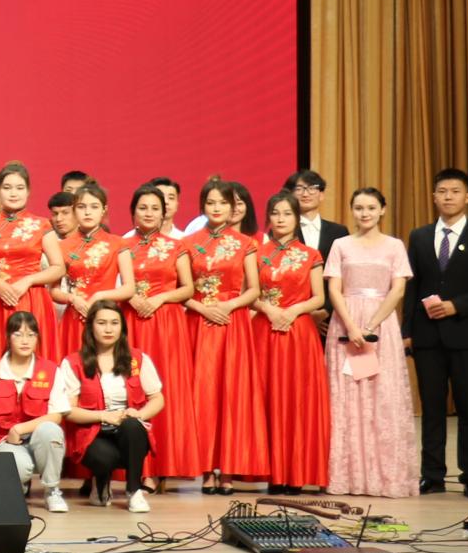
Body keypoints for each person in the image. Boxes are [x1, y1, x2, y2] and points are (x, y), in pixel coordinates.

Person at [405, 167, 468, 498]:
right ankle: (432, 474)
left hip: (467, 336)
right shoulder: (419, 236)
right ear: (434, 197)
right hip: (427, 337)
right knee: (432, 410)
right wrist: (406, 331)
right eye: (442, 191)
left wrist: (457, 306)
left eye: (454, 191)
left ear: (467, 197)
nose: (448, 197)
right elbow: (412, 287)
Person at [324, 187, 418, 499]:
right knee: (346, 399)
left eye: (371, 208)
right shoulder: (340, 245)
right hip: (345, 324)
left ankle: (383, 476)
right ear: (352, 210)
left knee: (381, 397)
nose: (365, 213)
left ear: (382, 210)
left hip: (381, 326)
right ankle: (347, 476)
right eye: (359, 208)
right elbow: (334, 289)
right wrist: (352, 327)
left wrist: (370, 326)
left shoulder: (394, 246)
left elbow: (398, 290)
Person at [186, 178, 263, 494]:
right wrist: (204, 309)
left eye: (222, 203)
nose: (216, 208)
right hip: (199, 323)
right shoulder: (188, 243)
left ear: (233, 207)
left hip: (233, 323)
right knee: (203, 394)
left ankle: (228, 469)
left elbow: (254, 290)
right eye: (211, 202)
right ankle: (207, 469)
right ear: (202, 206)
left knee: (232, 393)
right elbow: (182, 290)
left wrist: (228, 306)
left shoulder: (246, 243)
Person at [124, 184, 198, 487]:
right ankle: (139, 468)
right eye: (143, 207)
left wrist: (160, 298)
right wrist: (131, 297)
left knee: (165, 388)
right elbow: (115, 282)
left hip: (166, 323)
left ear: (164, 212)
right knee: (132, 388)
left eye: (155, 208)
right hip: (131, 319)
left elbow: (188, 288)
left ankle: (163, 465)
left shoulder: (177, 246)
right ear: (133, 211)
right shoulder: (121, 246)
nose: (149, 213)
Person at [256, 192, 329, 495]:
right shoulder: (257, 253)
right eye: (275, 213)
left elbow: (319, 297)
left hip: (299, 333)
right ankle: (273, 474)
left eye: (287, 213)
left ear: (297, 218)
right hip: (265, 330)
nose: (281, 219)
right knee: (269, 398)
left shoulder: (311, 254)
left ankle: (297, 473)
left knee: (298, 400)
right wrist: (270, 310)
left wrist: (292, 311)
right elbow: (250, 292)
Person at [62, 301, 164, 512]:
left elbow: (157, 398)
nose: (108, 329)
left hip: (128, 431)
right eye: (102, 323)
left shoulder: (138, 359)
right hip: (93, 432)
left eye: (114, 323)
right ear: (91, 326)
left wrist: (139, 413)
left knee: (133, 426)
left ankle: (134, 491)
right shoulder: (73, 362)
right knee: (104, 457)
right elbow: (69, 411)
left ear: (122, 327)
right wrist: (103, 416)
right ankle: (101, 480)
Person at [0, 310, 70, 512]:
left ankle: (52, 490)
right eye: (18, 334)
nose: (25, 341)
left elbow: (57, 415)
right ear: (8, 337)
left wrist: (20, 428)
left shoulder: (51, 370)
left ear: (37, 338)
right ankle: (20, 484)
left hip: (39, 438)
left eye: (31, 335)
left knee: (50, 430)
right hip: (7, 441)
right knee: (17, 469)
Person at [0, 164, 63, 367]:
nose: (13, 193)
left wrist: (29, 280)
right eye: (7, 188)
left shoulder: (42, 224)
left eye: (19, 188)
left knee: (38, 362)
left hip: (34, 299)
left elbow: (59, 268)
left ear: (28, 191)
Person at [51, 183, 135, 358]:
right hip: (74, 317)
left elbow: (129, 288)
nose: (87, 212)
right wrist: (72, 299)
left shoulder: (118, 243)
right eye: (82, 207)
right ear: (74, 210)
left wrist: (99, 296)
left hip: (106, 318)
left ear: (104, 210)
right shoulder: (62, 246)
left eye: (94, 207)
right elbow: (54, 291)